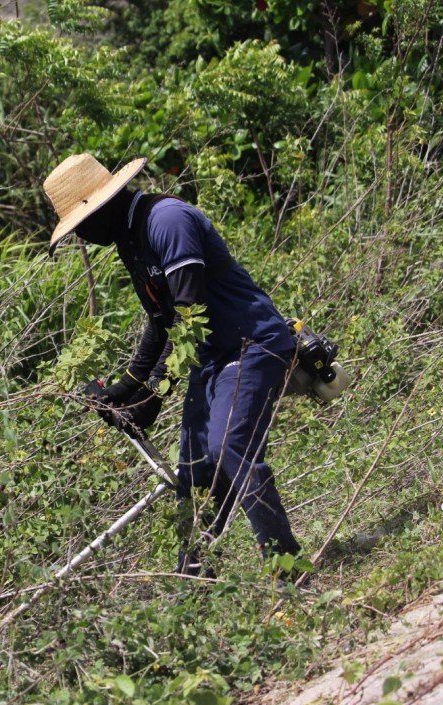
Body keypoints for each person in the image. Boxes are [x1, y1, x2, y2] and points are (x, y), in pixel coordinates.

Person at [42, 153, 301, 576]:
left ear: (102, 207)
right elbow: (160, 322)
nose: (82, 238)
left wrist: (155, 394)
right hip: (211, 357)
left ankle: (289, 566)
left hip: (249, 345)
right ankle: (193, 582)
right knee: (195, 471)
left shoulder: (166, 221)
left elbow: (189, 316)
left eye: (81, 227)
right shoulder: (129, 238)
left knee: (229, 447)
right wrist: (127, 387)